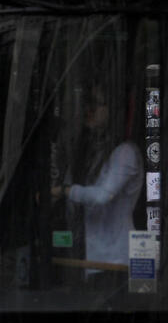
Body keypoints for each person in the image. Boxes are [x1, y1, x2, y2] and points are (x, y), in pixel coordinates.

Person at [53, 90, 143, 275]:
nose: (89, 110)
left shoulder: (125, 153)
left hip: (116, 261)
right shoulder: (88, 154)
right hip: (86, 258)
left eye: (97, 104)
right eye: (87, 104)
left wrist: (64, 191)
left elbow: (103, 196)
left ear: (114, 109)